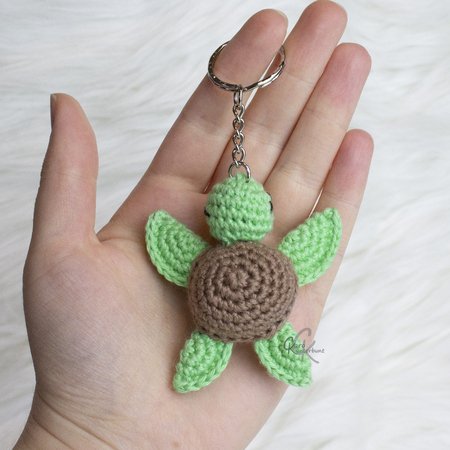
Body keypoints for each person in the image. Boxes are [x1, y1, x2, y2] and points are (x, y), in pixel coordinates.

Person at [14, 1, 373, 448]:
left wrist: (78, 432)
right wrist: (81, 429)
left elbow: (167, 237)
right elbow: (317, 238)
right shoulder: (290, 258)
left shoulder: (193, 258)